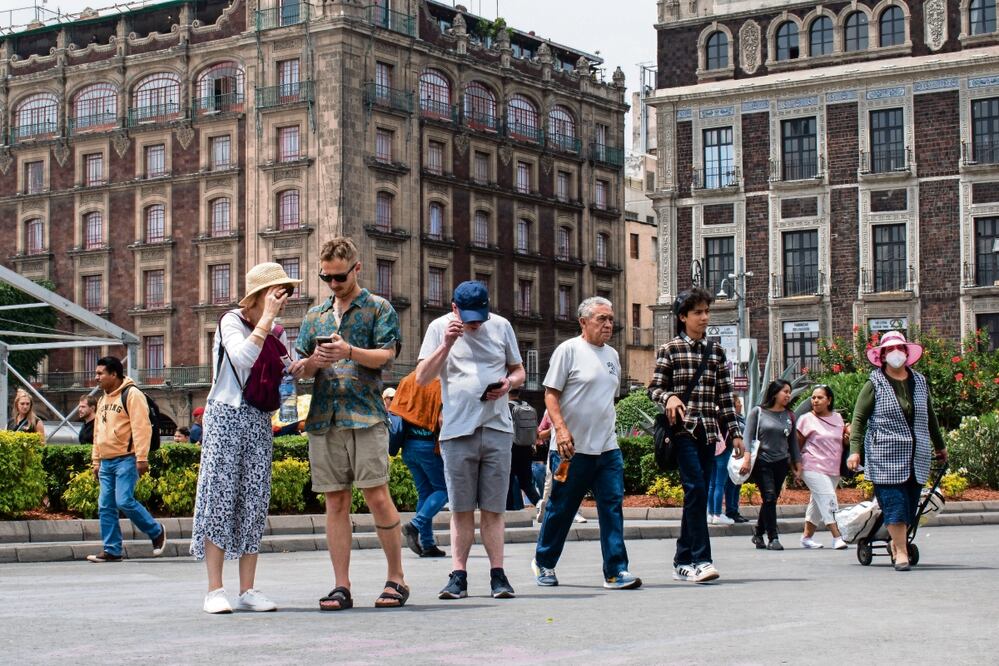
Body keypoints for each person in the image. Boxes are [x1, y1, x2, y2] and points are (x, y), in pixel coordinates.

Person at [290, 237, 409, 610]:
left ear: (356, 269)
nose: (333, 284)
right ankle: (341, 585)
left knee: (376, 495)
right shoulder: (315, 316)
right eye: (326, 278)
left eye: (339, 277)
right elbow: (300, 367)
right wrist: (314, 363)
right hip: (325, 417)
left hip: (367, 414)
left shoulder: (378, 308)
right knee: (335, 502)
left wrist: (349, 352)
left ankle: (397, 578)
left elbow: (387, 357)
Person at [191, 262, 299, 613]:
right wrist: (266, 319)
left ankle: (248, 589)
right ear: (258, 295)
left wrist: (305, 365)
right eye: (276, 293)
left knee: (254, 498)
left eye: (284, 294)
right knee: (220, 495)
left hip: (258, 418)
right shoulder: (230, 321)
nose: (282, 300)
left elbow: (288, 368)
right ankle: (214, 589)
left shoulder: (278, 331)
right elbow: (241, 359)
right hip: (225, 415)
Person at [416, 280, 526, 600]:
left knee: (493, 509)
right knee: (461, 509)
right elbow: (423, 377)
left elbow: (518, 370)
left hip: (497, 427)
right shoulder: (438, 328)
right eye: (470, 318)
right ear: (454, 309)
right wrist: (447, 343)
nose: (476, 323)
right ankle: (458, 575)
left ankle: (498, 575)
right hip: (456, 430)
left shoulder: (501, 326)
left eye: (481, 316)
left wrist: (507, 384)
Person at [532, 297, 641, 590]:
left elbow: (608, 399)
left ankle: (616, 570)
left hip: (607, 447)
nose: (608, 325)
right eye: (601, 319)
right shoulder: (568, 351)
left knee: (612, 506)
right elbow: (551, 395)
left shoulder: (612, 356)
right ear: (583, 322)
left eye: (610, 320)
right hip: (570, 449)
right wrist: (562, 430)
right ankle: (544, 562)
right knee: (562, 508)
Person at [648, 288, 744, 583]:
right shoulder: (670, 350)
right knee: (697, 490)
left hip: (709, 432)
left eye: (706, 312)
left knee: (697, 494)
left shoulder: (715, 352)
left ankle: (682, 558)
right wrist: (669, 399)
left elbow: (726, 396)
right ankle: (702, 559)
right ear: (682, 317)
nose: (704, 317)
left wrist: (736, 434)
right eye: (698, 312)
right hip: (682, 431)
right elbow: (653, 388)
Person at [846, 331, 947, 571]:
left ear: (907, 352)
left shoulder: (919, 381)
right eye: (889, 350)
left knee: (911, 503)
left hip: (916, 454)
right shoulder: (874, 383)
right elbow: (859, 419)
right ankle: (901, 551)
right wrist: (854, 451)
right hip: (885, 454)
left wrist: (940, 445)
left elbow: (929, 416)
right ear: (881, 355)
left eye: (899, 349)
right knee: (894, 503)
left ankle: (896, 543)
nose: (895, 354)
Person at [86, 356, 166, 563]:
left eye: (100, 373)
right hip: (106, 461)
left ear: (114, 374)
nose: (96, 377)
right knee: (105, 506)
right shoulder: (103, 399)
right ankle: (112, 550)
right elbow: (98, 432)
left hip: (127, 459)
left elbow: (142, 427)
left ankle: (156, 531)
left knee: (124, 500)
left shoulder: (132, 394)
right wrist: (96, 460)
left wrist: (142, 457)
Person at [392, 371, 447, 558]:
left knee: (425, 493)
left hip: (408, 447)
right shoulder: (438, 382)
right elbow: (441, 419)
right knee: (444, 491)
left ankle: (428, 544)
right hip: (428, 446)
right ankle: (415, 524)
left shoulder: (407, 380)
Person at [741, 379, 802, 551]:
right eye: (785, 391)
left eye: (790, 392)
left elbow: (793, 442)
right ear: (775, 393)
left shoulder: (789, 415)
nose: (788, 395)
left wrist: (797, 463)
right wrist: (746, 458)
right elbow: (747, 435)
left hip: (781, 462)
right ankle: (773, 537)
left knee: (771, 499)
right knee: (769, 496)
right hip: (762, 461)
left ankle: (758, 533)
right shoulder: (758, 412)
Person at [797, 385, 849, 550]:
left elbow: (841, 440)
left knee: (817, 502)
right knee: (828, 498)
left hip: (833, 467)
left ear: (829, 400)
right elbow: (797, 444)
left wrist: (847, 439)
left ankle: (806, 537)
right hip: (811, 464)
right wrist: (795, 467)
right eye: (813, 397)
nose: (815, 400)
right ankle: (837, 537)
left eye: (820, 397)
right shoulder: (805, 419)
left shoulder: (838, 418)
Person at [507, 389, 542, 511]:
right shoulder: (528, 406)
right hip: (527, 448)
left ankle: (509, 509)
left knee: (508, 480)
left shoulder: (507, 407)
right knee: (526, 482)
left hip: (511, 448)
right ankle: (539, 502)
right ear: (519, 393)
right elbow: (536, 431)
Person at [724, 396, 748, 523]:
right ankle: (731, 511)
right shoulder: (733, 421)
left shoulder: (741, 419)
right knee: (731, 484)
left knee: (737, 483)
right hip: (732, 455)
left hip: (740, 454)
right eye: (738, 403)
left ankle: (735, 510)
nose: (741, 405)